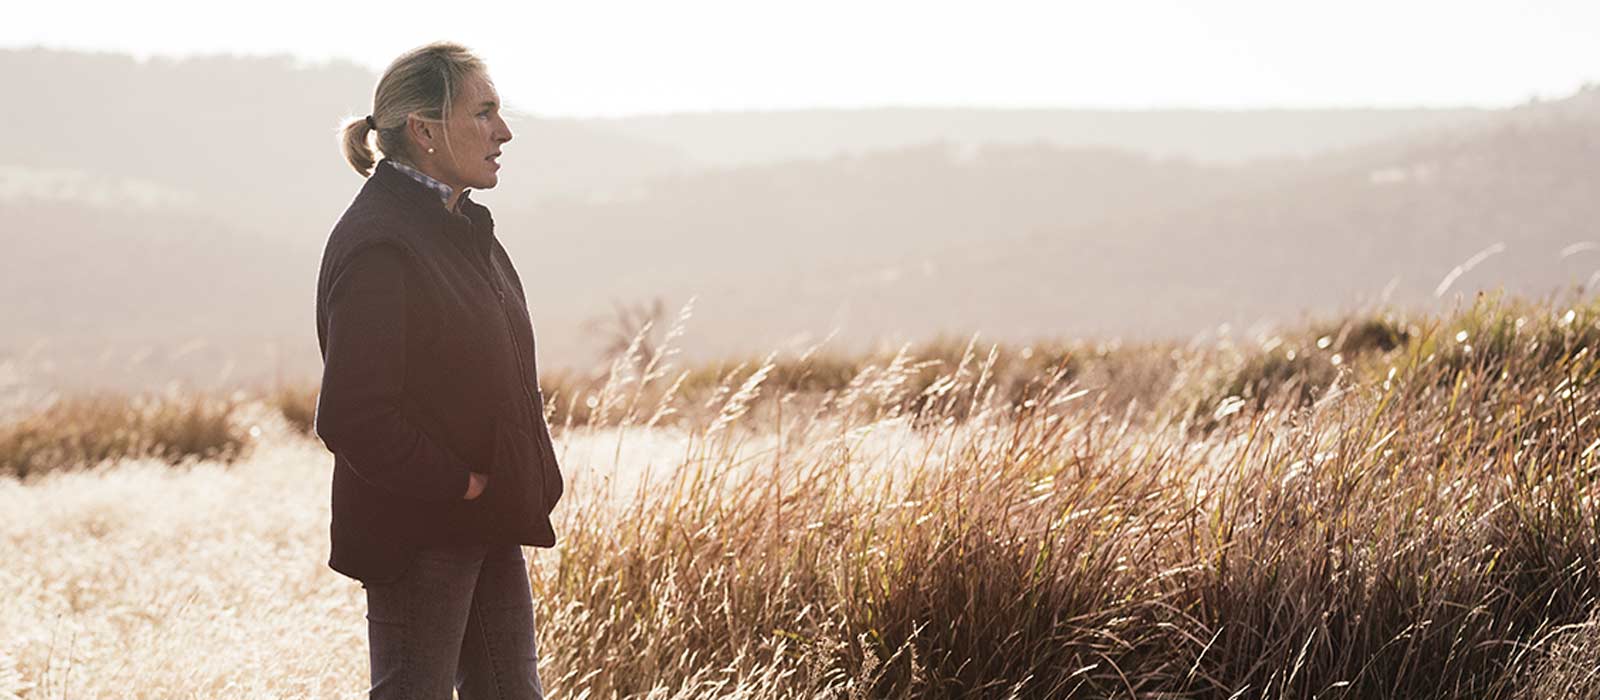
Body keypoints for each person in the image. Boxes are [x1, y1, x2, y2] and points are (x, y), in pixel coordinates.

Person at [312, 40, 563, 700]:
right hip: (422, 534)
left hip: (485, 521)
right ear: (423, 131)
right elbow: (353, 415)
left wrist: (492, 491)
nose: (503, 131)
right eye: (483, 113)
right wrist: (462, 485)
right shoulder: (382, 243)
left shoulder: (457, 225)